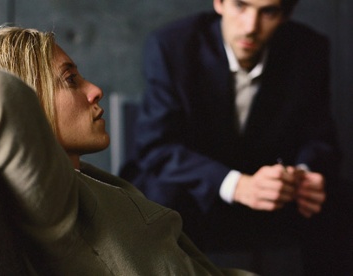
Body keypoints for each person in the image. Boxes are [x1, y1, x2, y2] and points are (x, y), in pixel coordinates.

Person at [0, 26, 256, 275]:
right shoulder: (54, 203)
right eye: (70, 80)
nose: (95, 90)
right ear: (28, 100)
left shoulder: (89, 182)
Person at [120, 0, 340, 275]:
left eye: (268, 11)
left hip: (271, 188)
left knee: (335, 199)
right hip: (198, 186)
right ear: (219, 3)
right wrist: (236, 185)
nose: (251, 27)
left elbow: (320, 137)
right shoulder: (172, 45)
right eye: (241, 5)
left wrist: (304, 175)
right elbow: (156, 146)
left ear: (285, 15)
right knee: (159, 192)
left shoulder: (309, 48)